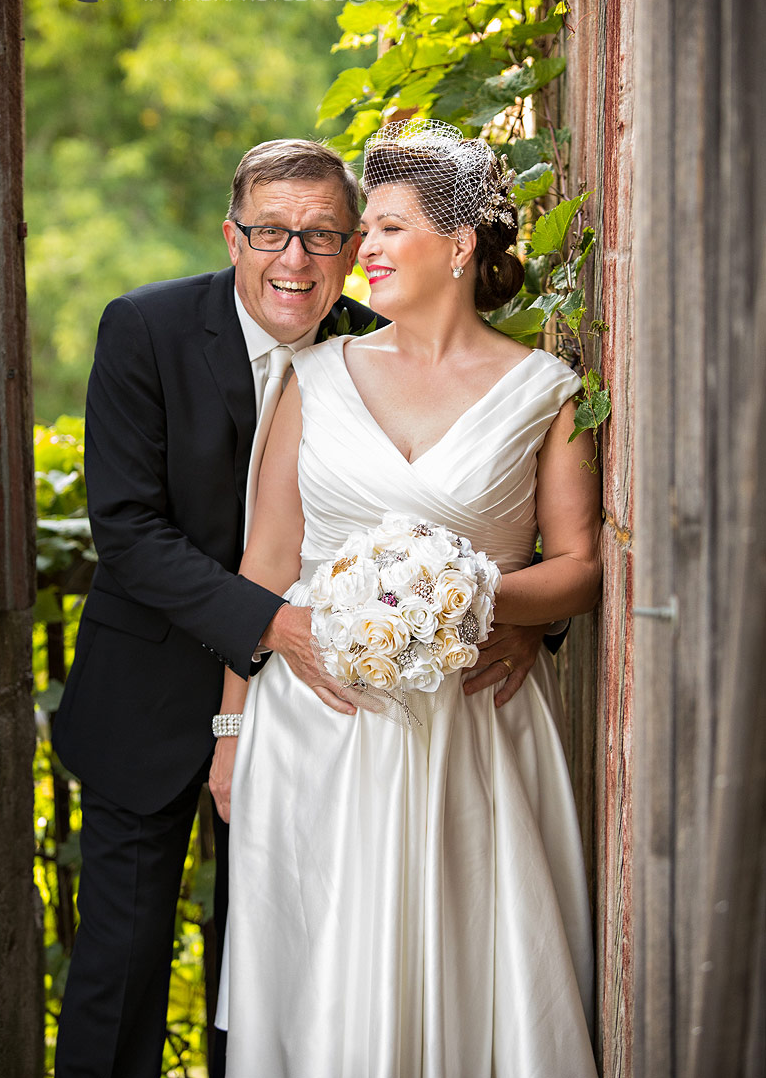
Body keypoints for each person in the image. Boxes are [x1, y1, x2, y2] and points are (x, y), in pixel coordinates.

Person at [51, 135, 547, 1078]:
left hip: (319, 726)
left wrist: (524, 618)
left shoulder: (377, 345)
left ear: (355, 242)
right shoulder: (145, 329)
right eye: (271, 232)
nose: (295, 260)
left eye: (322, 237)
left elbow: (455, 512)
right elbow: (126, 529)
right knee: (118, 972)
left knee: (283, 971)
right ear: (231, 235)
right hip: (152, 692)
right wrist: (274, 625)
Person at [211, 119, 602, 1077]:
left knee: (477, 965)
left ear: (459, 244)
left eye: (386, 228)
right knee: (323, 973)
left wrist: (473, 601)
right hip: (317, 731)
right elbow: (265, 564)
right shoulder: (315, 376)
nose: (364, 251)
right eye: (367, 231)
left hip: (475, 729)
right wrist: (231, 733)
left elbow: (581, 567)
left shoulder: (543, 388)